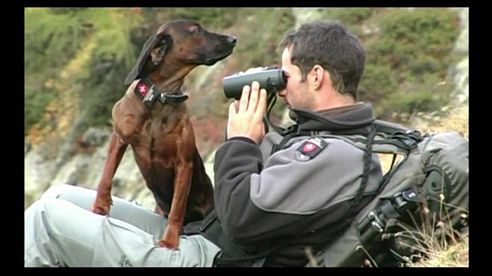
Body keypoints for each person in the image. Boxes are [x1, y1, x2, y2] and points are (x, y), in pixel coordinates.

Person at [24, 21, 383, 267]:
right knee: (58, 196)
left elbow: (241, 216)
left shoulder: (335, 153)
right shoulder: (319, 136)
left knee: (46, 219)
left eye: (285, 74)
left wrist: (240, 141)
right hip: (203, 233)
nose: (281, 84)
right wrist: (262, 126)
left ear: (317, 76)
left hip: (211, 256)